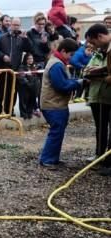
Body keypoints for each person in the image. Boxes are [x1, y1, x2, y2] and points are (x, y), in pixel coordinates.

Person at [39, 38, 82, 169]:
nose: (71, 58)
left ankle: (52, 158)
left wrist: (75, 81)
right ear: (63, 51)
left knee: (58, 132)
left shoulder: (57, 62)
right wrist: (77, 83)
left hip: (55, 104)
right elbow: (61, 85)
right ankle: (47, 159)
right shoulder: (57, 64)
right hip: (53, 105)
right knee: (56, 132)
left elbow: (63, 81)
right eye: (71, 54)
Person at [0, 18, 33, 116]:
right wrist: (3, 56)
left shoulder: (21, 38)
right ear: (11, 25)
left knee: (12, 92)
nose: (16, 27)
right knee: (0, 90)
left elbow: (29, 49)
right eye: (14, 25)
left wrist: (25, 39)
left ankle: (9, 110)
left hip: (15, 69)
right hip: (3, 68)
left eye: (18, 25)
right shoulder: (2, 37)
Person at [84, 47, 111, 176]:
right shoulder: (96, 55)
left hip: (108, 97)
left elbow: (106, 73)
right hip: (96, 97)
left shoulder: (108, 56)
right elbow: (86, 71)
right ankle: (99, 155)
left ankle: (108, 159)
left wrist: (98, 73)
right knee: (100, 128)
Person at [18, 53, 41, 119]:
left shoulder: (33, 67)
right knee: (24, 101)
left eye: (31, 58)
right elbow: (21, 77)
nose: (30, 60)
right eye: (29, 58)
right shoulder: (22, 66)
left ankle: (29, 113)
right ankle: (24, 114)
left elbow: (36, 76)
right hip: (24, 87)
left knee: (31, 100)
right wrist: (28, 83)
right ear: (25, 59)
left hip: (32, 87)